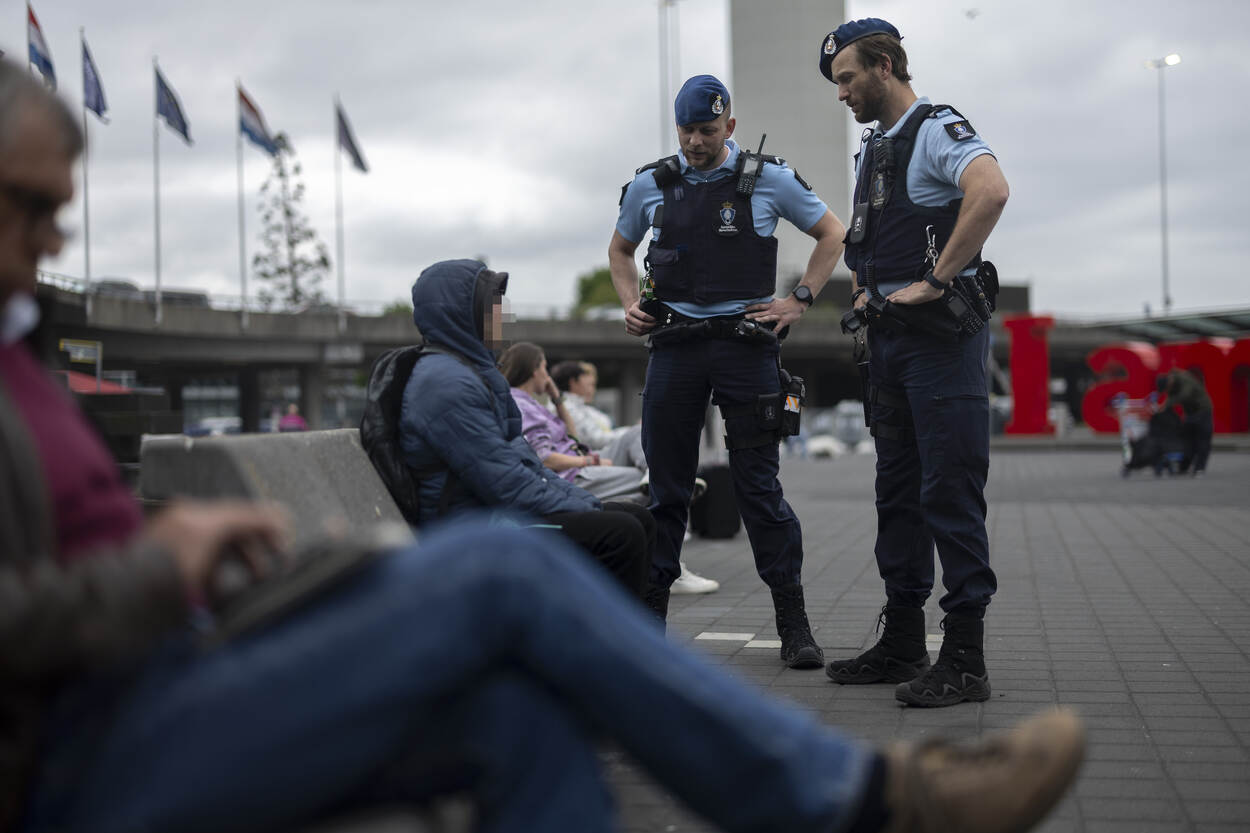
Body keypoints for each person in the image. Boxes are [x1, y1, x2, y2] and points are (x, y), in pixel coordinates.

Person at [0, 56, 1085, 833]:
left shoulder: (21, 351)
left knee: (526, 717)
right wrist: (153, 568)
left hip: (167, 660)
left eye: (60, 207)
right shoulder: (635, 205)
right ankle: (863, 799)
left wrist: (795, 299)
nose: (53, 237)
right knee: (515, 561)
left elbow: (830, 238)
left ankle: (823, 690)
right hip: (85, 739)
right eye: (29, 206)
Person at [609, 74, 845, 667]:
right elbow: (619, 251)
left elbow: (832, 233)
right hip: (675, 349)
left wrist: (799, 300)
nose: (694, 142)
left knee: (759, 491)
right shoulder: (651, 184)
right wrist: (628, 303)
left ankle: (794, 624)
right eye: (686, 131)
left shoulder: (769, 180)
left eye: (707, 131)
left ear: (730, 127)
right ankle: (647, 629)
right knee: (666, 493)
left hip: (746, 348)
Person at [818, 19, 1010, 706]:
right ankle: (903, 642)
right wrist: (867, 285)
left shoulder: (936, 127)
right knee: (896, 495)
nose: (841, 93)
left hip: (940, 344)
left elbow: (989, 190)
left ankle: (965, 659)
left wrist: (938, 276)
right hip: (892, 347)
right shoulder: (876, 149)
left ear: (888, 64)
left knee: (949, 493)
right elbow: (872, 237)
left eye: (847, 78)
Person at [396, 259, 651, 598]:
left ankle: (632, 637)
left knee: (637, 519)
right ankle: (609, 644)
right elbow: (504, 482)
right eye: (494, 308)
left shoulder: (471, 373)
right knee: (622, 533)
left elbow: (524, 463)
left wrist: (584, 502)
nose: (503, 316)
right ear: (463, 314)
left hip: (489, 512)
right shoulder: (446, 383)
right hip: (471, 527)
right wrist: (587, 507)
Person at [549, 358, 720, 594]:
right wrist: (590, 457)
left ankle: (652, 475)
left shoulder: (572, 407)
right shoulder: (556, 406)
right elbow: (580, 443)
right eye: (589, 383)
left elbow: (575, 440)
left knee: (648, 453)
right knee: (660, 475)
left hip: (587, 460)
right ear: (573, 382)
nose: (593, 388)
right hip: (582, 467)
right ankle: (668, 568)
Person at [499, 342, 646, 501]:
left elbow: (573, 439)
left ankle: (651, 473)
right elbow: (544, 458)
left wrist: (557, 399)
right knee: (641, 479)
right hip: (572, 475)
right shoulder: (522, 405)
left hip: (579, 461)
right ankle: (652, 477)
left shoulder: (530, 402)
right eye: (544, 367)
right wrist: (589, 461)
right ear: (534, 370)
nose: (547, 375)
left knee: (636, 434)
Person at [1156, 368, 1213, 475]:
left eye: (1166, 389)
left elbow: (1185, 395)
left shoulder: (1184, 379)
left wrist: (1166, 404)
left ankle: (1200, 468)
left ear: (1169, 381)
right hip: (1190, 413)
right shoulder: (1171, 386)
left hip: (1203, 410)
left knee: (1203, 441)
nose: (1166, 392)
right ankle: (1184, 467)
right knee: (1187, 441)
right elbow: (1169, 399)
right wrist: (1163, 407)